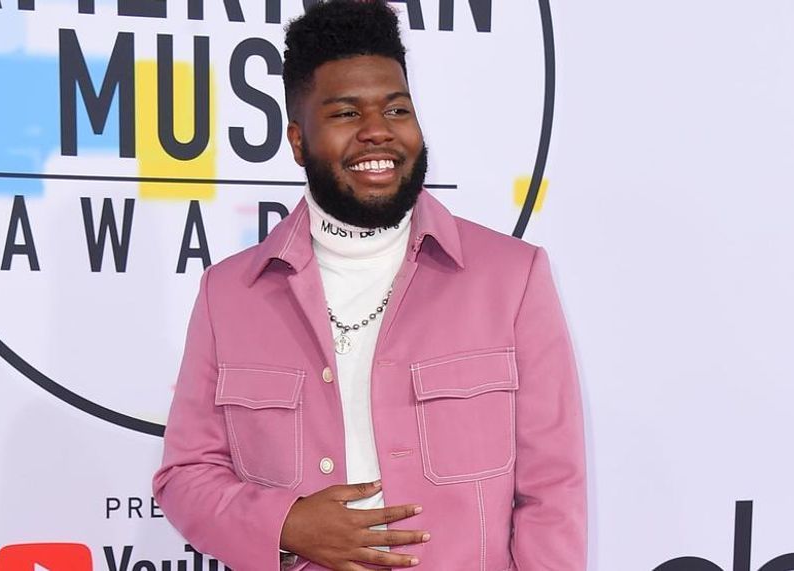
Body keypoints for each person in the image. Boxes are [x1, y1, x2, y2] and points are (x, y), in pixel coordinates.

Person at [153, 1, 586, 569]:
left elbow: (554, 490)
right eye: (344, 114)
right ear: (298, 141)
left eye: (396, 108)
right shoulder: (229, 295)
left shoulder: (512, 278)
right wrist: (286, 524)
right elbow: (185, 476)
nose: (377, 132)